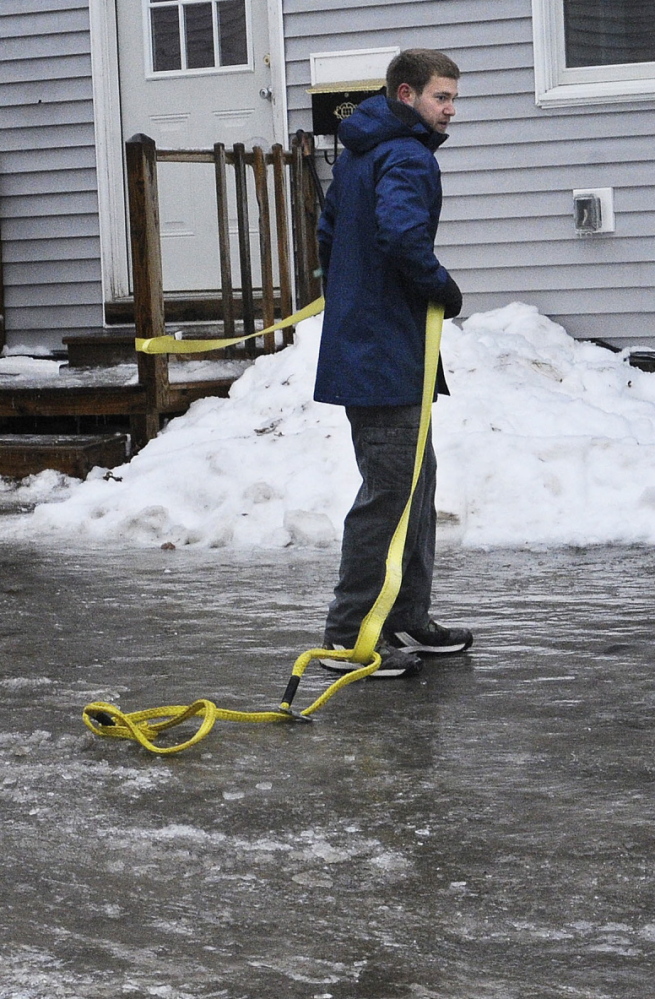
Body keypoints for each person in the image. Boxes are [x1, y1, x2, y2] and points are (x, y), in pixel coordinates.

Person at [314, 48, 473, 678]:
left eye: (455, 98)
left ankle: (405, 616)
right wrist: (440, 287)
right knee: (389, 495)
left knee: (415, 487)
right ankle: (348, 636)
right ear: (406, 95)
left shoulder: (358, 154)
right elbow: (403, 237)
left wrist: (358, 291)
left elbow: (329, 234)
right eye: (442, 97)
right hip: (382, 353)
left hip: (379, 344)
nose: (450, 110)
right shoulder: (404, 155)